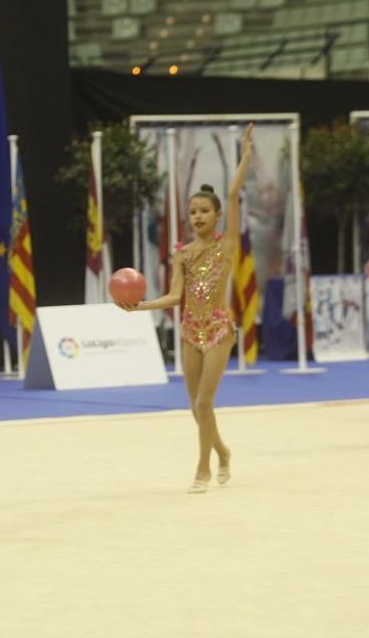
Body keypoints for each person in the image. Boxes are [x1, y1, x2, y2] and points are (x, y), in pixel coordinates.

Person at [116, 123, 253, 493]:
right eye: (192, 212)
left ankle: (203, 467)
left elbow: (235, 192)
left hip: (219, 330)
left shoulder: (225, 248)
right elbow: (176, 296)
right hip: (191, 332)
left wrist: (245, 157)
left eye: (204, 211)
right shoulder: (183, 254)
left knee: (205, 401)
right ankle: (223, 452)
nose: (197, 217)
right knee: (196, 407)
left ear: (217, 215)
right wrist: (142, 305)